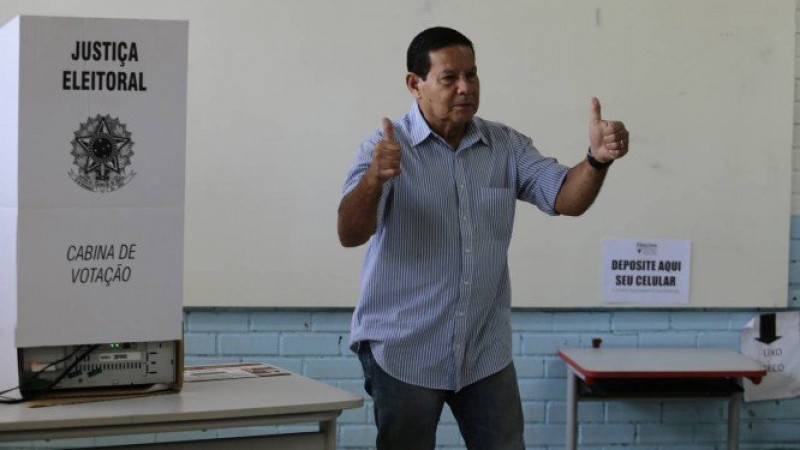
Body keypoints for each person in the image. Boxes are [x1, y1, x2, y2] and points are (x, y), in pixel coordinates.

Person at [337, 26, 629, 450]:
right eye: (449, 77)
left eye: (472, 76)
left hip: (483, 353)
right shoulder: (383, 148)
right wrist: (373, 181)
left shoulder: (504, 145)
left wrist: (596, 161)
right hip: (405, 351)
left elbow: (565, 197)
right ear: (413, 84)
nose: (465, 88)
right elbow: (350, 232)